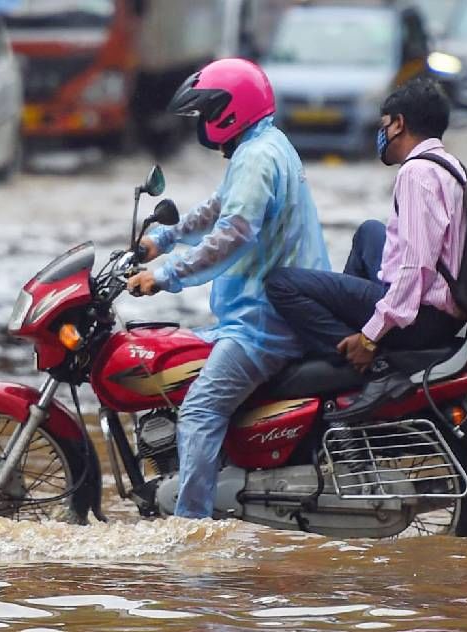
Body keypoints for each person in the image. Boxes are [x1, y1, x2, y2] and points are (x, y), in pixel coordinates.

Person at [125, 58, 330, 520]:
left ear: (228, 111)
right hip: (257, 314)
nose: (201, 124)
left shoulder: (257, 157)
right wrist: (163, 239)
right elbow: (217, 208)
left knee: (199, 411)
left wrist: (165, 274)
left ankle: (191, 526)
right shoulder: (264, 147)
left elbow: (234, 232)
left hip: (264, 324)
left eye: (204, 113)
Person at [265, 79, 467, 382]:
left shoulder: (416, 173)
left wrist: (371, 335)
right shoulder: (449, 165)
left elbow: (416, 266)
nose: (381, 134)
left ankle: (353, 353)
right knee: (369, 232)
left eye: (383, 125)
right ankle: (351, 332)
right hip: (442, 312)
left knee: (281, 282)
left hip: (421, 319)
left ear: (399, 124)